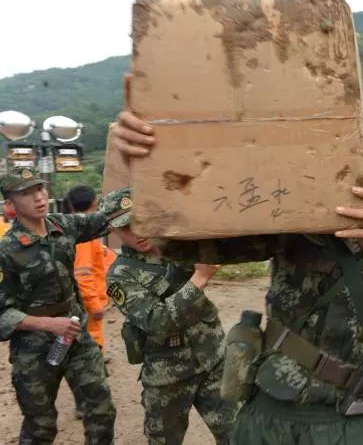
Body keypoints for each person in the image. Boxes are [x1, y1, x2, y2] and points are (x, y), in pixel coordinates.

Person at [112, 103, 363, 445]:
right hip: (272, 417)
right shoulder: (303, 216)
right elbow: (186, 240)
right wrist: (150, 162)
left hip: (362, 424)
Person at [100, 187, 237, 444]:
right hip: (168, 374)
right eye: (126, 227)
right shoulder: (120, 276)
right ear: (112, 230)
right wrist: (200, 277)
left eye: (140, 220)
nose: (138, 231)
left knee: (240, 434)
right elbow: (157, 321)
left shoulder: (179, 245)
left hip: (213, 358)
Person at [0, 168, 116, 444]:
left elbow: (105, 220)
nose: (38, 197)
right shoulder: (6, 251)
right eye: (26, 193)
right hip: (33, 348)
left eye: (40, 189)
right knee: (41, 426)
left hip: (76, 335)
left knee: (101, 412)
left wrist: (139, 194)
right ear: (10, 204)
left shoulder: (62, 224)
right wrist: (47, 324)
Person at [63, 184, 109, 349]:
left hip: (85, 302)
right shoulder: (83, 234)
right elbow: (82, 274)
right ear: (92, 204)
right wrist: (95, 305)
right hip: (87, 306)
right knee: (92, 343)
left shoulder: (79, 229)